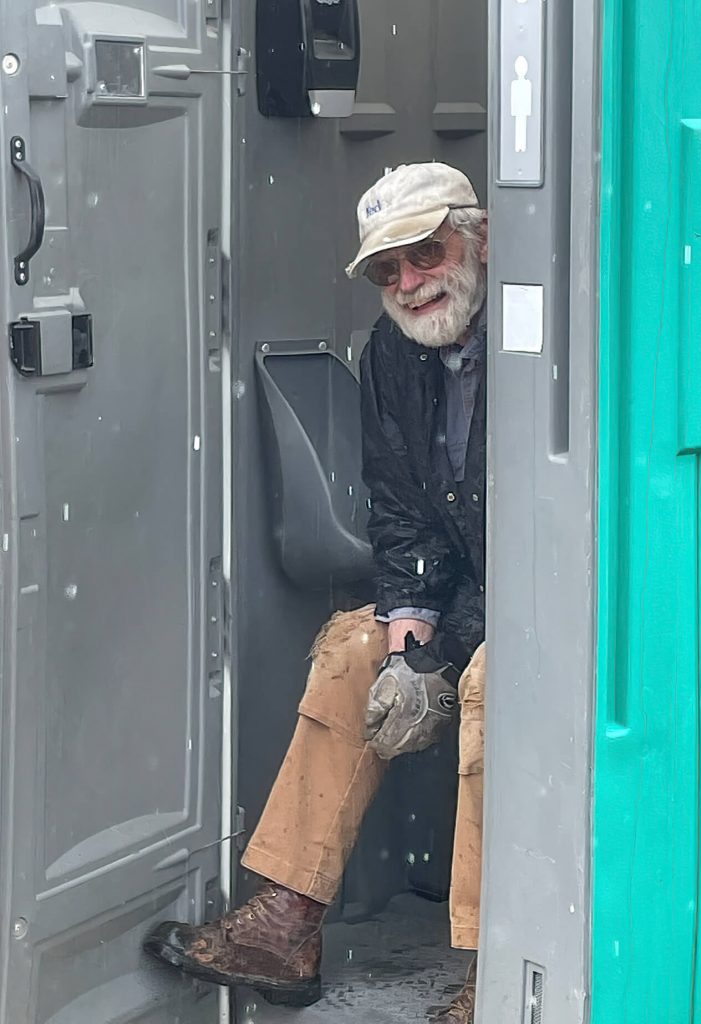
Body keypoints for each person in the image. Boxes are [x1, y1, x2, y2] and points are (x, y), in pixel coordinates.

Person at [145, 162, 488, 1024]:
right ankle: (287, 925)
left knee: (491, 688)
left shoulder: (541, 343)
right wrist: (410, 636)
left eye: (426, 254)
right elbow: (403, 513)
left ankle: (502, 960)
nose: (410, 284)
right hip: (459, 595)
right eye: (388, 270)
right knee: (351, 650)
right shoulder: (392, 356)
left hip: (556, 603)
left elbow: (547, 544)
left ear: (480, 238)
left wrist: (447, 653)